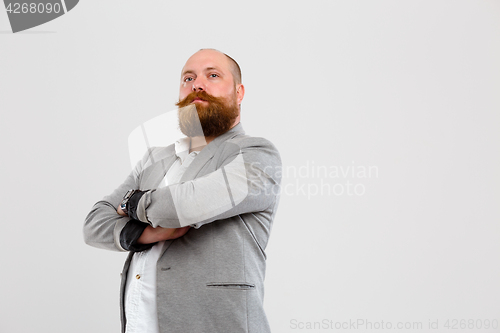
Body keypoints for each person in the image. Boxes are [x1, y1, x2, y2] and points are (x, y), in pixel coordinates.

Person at [83, 48, 282, 333]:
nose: (197, 84)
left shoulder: (256, 155)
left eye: (212, 75)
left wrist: (131, 203)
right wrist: (144, 233)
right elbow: (93, 224)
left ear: (239, 93)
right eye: (188, 78)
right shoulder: (156, 157)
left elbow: (184, 207)